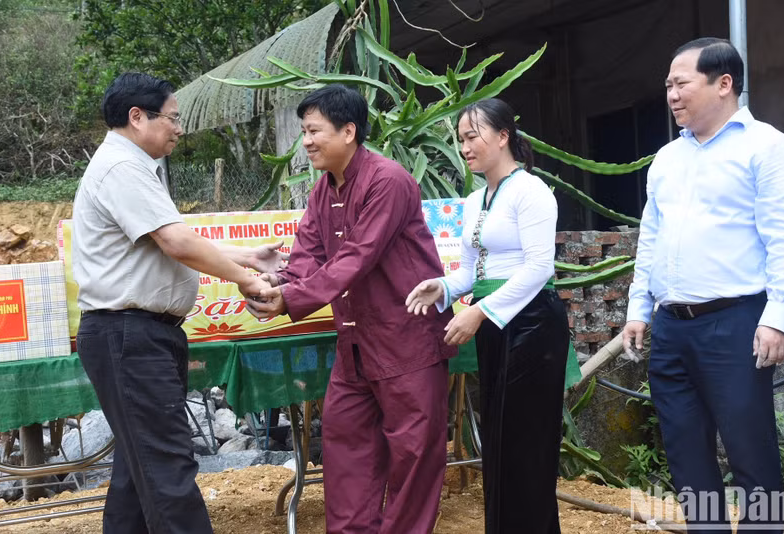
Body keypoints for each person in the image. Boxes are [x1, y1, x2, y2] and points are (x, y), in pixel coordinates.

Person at [72, 72, 285, 534]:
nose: (179, 128)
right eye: (172, 118)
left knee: (139, 469)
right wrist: (248, 279)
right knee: (166, 467)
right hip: (128, 334)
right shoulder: (121, 169)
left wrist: (249, 254)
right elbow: (176, 242)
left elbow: (172, 239)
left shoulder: (131, 167)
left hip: (137, 334)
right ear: (136, 117)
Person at [246, 84, 455, 534]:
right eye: (304, 131)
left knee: (414, 458)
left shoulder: (389, 181)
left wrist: (291, 298)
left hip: (406, 343)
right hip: (355, 347)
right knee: (345, 452)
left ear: (348, 131)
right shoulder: (323, 192)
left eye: (314, 131)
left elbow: (357, 256)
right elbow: (306, 257)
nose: (306, 142)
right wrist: (276, 283)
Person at [623, 38, 784, 533]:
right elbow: (649, 239)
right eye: (668, 86)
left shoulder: (768, 148)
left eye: (681, 83)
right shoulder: (666, 159)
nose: (672, 94)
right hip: (672, 326)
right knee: (685, 450)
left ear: (724, 84)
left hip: (736, 321)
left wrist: (780, 318)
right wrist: (639, 308)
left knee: (750, 449)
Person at [406, 98, 569, 534]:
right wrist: (441, 288)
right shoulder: (476, 198)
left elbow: (539, 268)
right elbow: (470, 271)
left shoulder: (530, 190)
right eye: (460, 139)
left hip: (533, 324)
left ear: (503, 136)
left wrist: (478, 312)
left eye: (473, 136)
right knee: (498, 440)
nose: (465, 147)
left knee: (526, 443)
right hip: (496, 325)